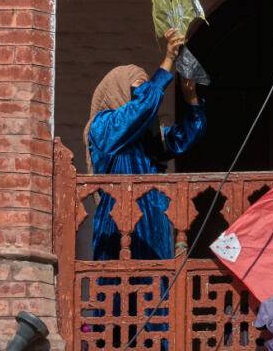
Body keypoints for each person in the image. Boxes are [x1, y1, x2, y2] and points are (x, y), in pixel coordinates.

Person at [85, 28, 207, 261]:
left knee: (157, 293)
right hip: (118, 231)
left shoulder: (146, 136)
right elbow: (141, 109)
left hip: (153, 232)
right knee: (119, 292)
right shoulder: (102, 126)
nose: (143, 95)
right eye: (137, 91)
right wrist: (169, 59)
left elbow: (187, 136)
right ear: (118, 90)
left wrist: (190, 96)